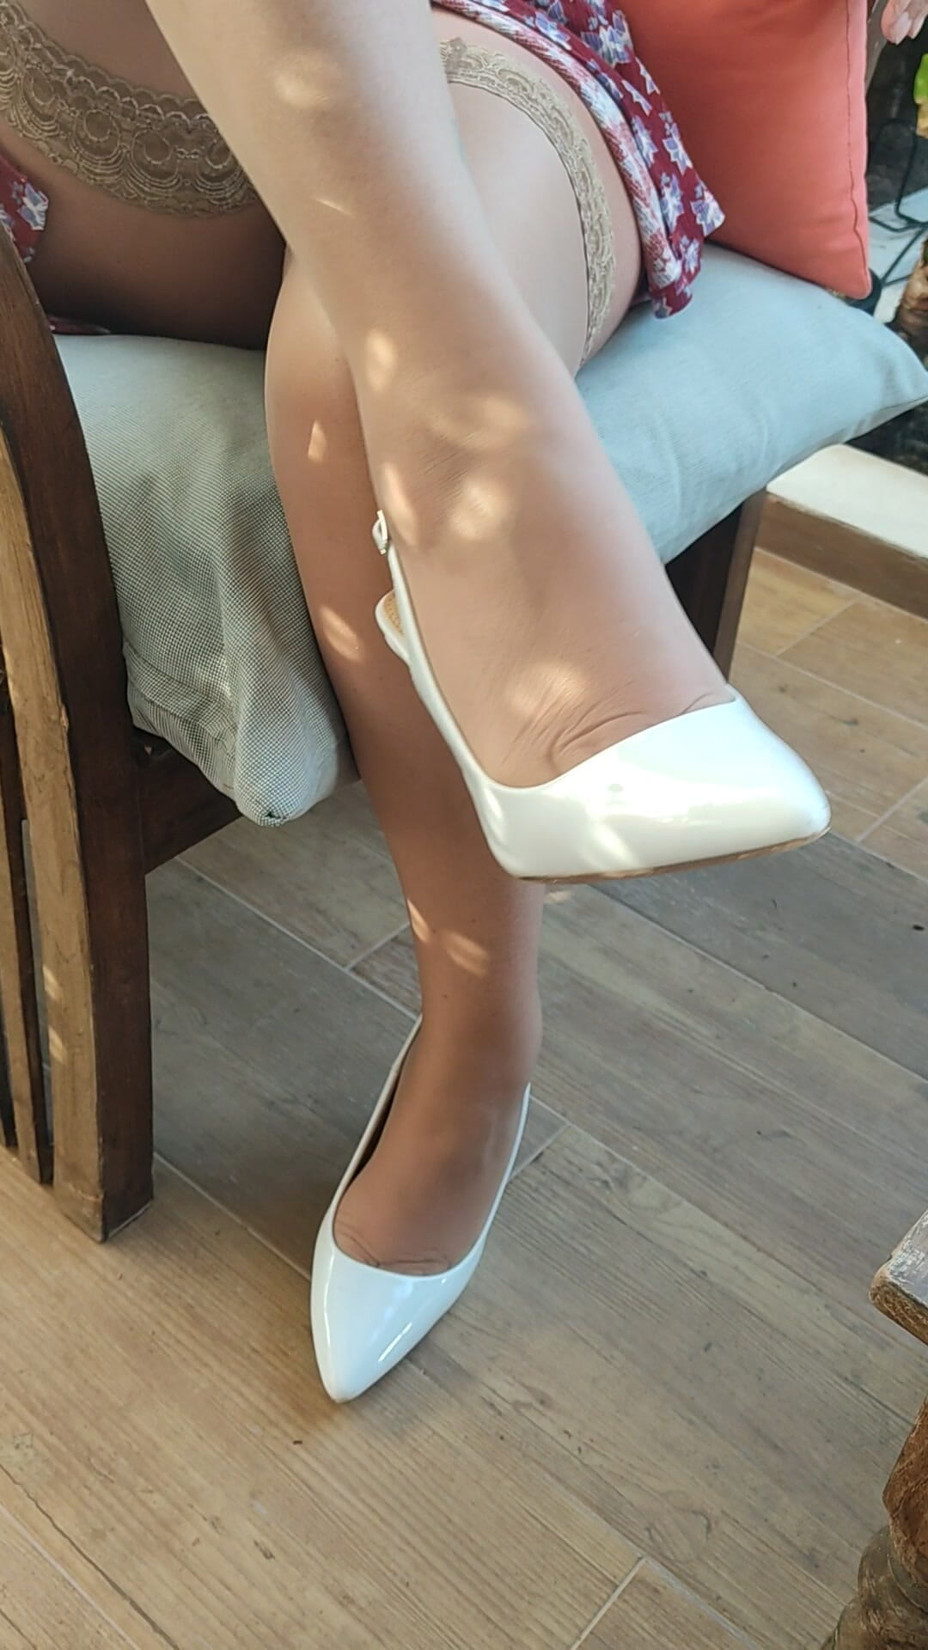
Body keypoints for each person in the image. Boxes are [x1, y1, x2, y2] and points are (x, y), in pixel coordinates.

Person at [1, 0, 922, 1400]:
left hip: (464, 66)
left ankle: (481, 1033)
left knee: (349, 382)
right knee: (371, 369)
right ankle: (489, 474)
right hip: (109, 111)